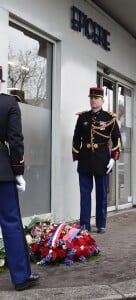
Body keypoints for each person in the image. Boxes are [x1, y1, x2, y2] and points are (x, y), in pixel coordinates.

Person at [0, 66, 39, 290]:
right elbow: (15, 140)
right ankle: (21, 277)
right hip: (2, 173)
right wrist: (18, 172)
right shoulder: (8, 103)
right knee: (11, 224)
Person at [72, 87, 121, 233]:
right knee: (85, 195)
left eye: (96, 98)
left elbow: (116, 140)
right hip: (85, 158)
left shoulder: (109, 118)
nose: (93, 100)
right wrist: (76, 158)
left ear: (102, 100)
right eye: (91, 98)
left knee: (101, 195)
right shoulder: (82, 118)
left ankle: (101, 224)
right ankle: (85, 224)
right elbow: (76, 139)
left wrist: (113, 158)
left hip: (102, 159)